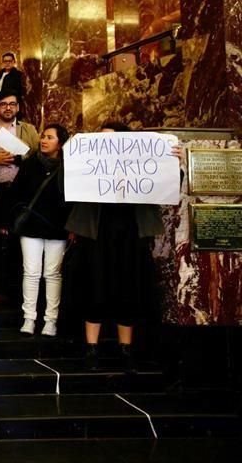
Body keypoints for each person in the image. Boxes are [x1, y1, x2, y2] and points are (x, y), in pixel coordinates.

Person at [65, 122, 170, 373]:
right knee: (95, 289)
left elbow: (167, 184)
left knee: (128, 291)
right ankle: (91, 348)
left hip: (131, 235)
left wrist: (172, 164)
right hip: (97, 234)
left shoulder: (138, 163)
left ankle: (126, 349)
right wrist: (71, 157)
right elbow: (64, 185)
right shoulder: (87, 166)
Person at [0, 92, 40, 307]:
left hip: (24, 195)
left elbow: (39, 157)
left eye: (12, 104)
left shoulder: (29, 130)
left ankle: (23, 294)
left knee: (23, 244)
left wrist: (19, 158)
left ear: (18, 107)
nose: (7, 108)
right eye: (3, 104)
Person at [12, 124, 71, 337]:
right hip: (31, 226)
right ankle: (29, 318)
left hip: (57, 228)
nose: (44, 141)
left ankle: (50, 320)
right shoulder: (30, 165)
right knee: (31, 272)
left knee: (53, 274)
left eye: (49, 137)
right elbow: (17, 192)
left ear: (60, 143)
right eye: (43, 137)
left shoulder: (69, 167)